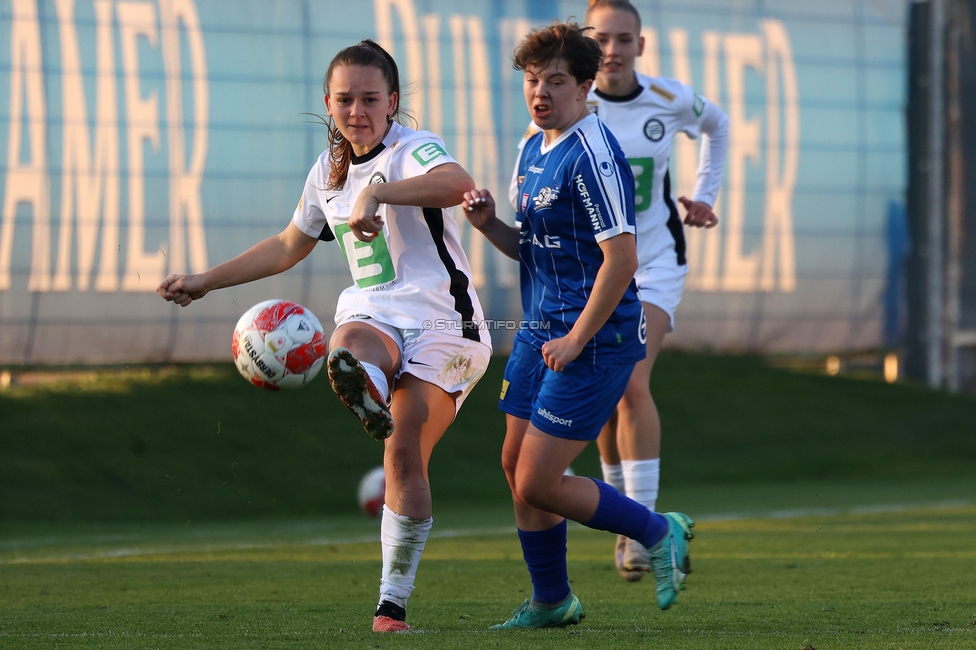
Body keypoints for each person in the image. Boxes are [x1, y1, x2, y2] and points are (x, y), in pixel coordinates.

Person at [157, 39, 492, 633]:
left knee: (404, 451)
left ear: (393, 102)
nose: (357, 110)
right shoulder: (326, 170)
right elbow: (289, 245)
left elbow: (456, 182)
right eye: (345, 99)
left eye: (370, 98)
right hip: (375, 314)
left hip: (446, 325)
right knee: (346, 342)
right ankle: (363, 382)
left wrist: (379, 192)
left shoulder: (414, 148)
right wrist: (206, 281)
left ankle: (393, 601)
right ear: (328, 103)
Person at [463, 21, 694, 629]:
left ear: (587, 86)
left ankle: (657, 530)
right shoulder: (531, 146)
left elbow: (622, 259)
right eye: (532, 81)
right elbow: (535, 248)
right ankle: (552, 602)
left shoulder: (593, 153)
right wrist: (489, 225)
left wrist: (576, 337)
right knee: (517, 471)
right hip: (542, 332)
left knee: (539, 480)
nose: (540, 93)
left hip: (596, 340)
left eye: (556, 82)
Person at [583, 0, 728, 582]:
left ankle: (643, 527)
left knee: (632, 381)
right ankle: (627, 523)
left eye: (624, 39)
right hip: (591, 270)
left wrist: (705, 195)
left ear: (641, 46)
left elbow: (717, 126)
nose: (613, 50)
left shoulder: (668, 100)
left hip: (655, 263)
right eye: (602, 39)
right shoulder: (571, 104)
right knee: (601, 394)